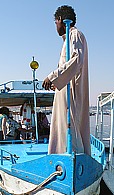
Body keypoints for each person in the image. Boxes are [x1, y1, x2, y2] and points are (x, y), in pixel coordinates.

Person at [42, 5, 90, 155]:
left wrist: (52, 77)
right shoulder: (69, 38)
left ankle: (72, 158)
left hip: (71, 91)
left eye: (55, 23)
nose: (55, 27)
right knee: (63, 126)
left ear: (60, 20)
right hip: (65, 88)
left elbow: (76, 60)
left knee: (69, 125)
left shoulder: (74, 35)